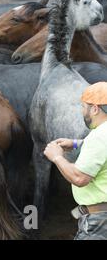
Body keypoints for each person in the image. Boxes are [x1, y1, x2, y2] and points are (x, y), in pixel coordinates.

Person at [44, 82, 107, 240]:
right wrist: (76, 143)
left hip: (99, 222)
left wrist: (57, 156)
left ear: (94, 108)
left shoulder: (99, 138)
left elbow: (80, 178)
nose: (82, 110)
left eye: (83, 106)